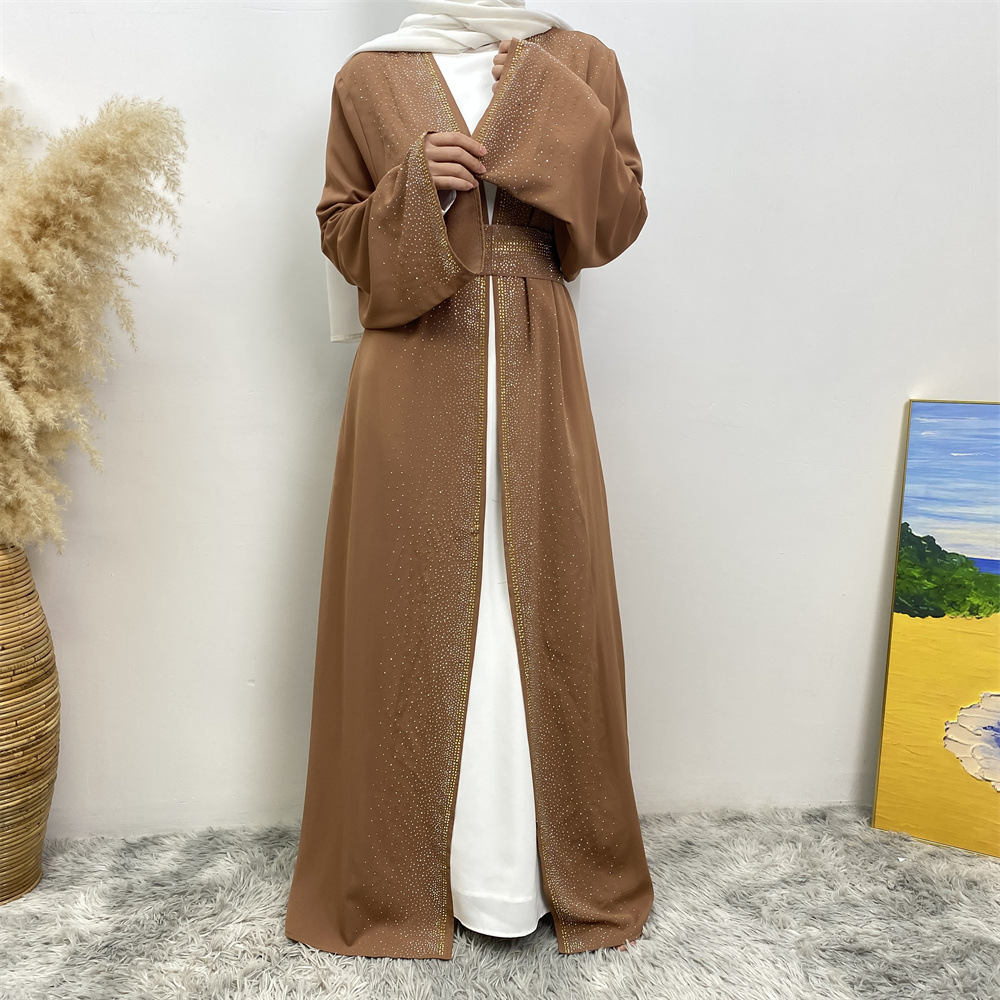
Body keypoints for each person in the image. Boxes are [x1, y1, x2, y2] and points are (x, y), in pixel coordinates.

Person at [285, 0, 652, 960]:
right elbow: (341, 235)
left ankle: (526, 875)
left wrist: (548, 107)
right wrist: (414, 185)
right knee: (410, 599)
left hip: (537, 355)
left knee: (542, 593)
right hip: (411, 364)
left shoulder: (580, 60)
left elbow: (614, 222)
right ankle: (407, 882)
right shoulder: (369, 74)